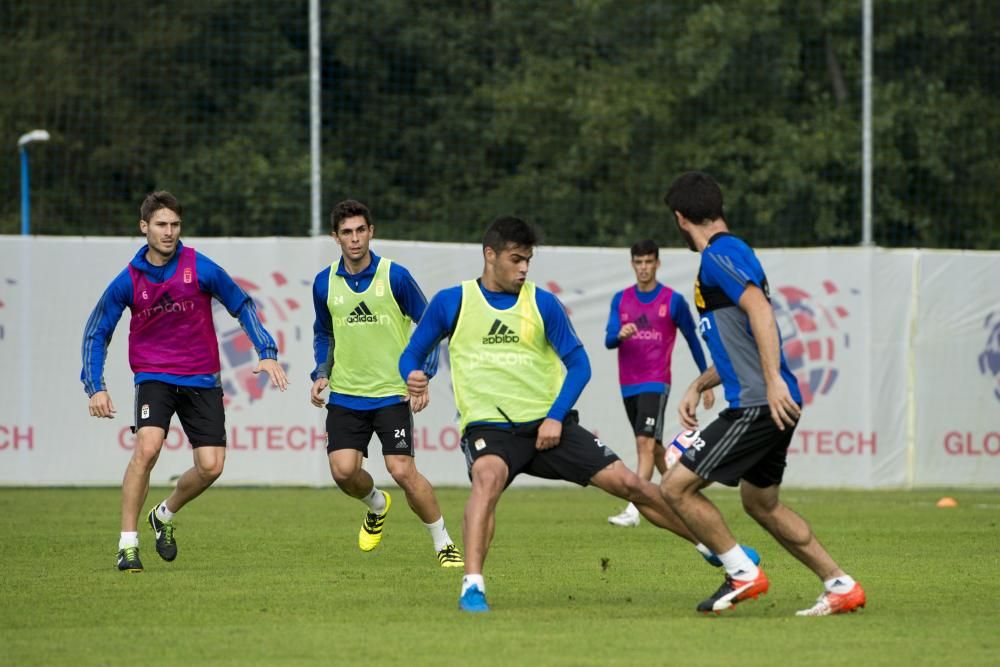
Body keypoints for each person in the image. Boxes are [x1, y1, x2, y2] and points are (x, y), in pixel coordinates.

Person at [399, 216, 757, 613]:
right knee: (487, 479)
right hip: (490, 427)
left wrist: (554, 416)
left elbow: (580, 365)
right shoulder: (453, 301)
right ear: (490, 255)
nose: (523, 269)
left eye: (528, 261)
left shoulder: (542, 303)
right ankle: (473, 585)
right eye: (516, 259)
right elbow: (411, 354)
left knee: (631, 484)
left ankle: (713, 548)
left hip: (551, 424)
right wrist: (414, 376)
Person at [659, 171, 866, 616]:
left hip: (758, 403)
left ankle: (742, 573)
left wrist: (771, 380)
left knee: (675, 487)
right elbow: (741, 343)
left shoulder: (720, 254)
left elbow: (759, 309)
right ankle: (840, 584)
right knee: (761, 503)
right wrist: (698, 384)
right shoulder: (724, 256)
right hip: (767, 400)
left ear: (680, 218)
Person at [81, 191, 289, 573]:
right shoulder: (128, 280)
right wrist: (95, 385)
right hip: (154, 375)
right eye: (161, 224)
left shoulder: (200, 267)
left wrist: (266, 350)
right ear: (144, 227)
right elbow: (97, 332)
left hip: (202, 378)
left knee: (211, 466)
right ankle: (127, 545)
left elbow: (241, 303)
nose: (169, 231)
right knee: (148, 447)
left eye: (175, 224)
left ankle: (163, 514)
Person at [310, 199, 463, 568]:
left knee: (402, 470)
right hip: (346, 394)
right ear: (336, 237)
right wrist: (320, 372)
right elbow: (323, 333)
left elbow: (431, 326)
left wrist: (423, 376)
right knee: (343, 471)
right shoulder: (324, 282)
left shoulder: (394, 276)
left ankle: (443, 542)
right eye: (346, 232)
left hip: (391, 394)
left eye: (361, 230)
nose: (355, 239)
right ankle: (377, 504)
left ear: (371, 231)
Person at [604, 238, 712, 527]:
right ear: (632, 265)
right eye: (639, 262)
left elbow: (693, 340)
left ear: (657, 264)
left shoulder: (672, 301)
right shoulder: (621, 299)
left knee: (644, 443)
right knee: (655, 448)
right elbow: (608, 340)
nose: (643, 268)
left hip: (656, 381)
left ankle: (634, 509)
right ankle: (680, 495)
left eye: (649, 262)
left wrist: (706, 382)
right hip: (628, 384)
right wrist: (620, 335)